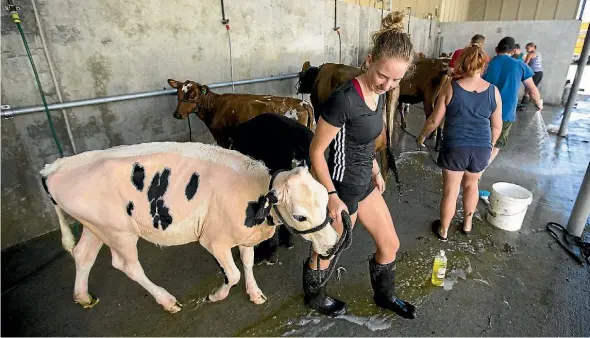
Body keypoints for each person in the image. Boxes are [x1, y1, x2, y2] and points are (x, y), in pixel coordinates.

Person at [304, 11, 416, 319]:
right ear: (369, 61)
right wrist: (330, 195)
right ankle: (314, 297)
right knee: (327, 249)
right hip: (340, 187)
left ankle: (384, 296)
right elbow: (316, 151)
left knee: (390, 244)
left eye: (397, 79)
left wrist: (376, 169)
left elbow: (364, 140)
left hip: (363, 182)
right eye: (383, 75)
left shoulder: (380, 93)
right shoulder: (344, 100)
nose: (388, 84)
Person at [417, 46, 502, 240]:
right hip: (481, 149)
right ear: (484, 65)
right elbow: (497, 126)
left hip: (455, 147)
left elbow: (434, 121)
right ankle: (467, 225)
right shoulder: (493, 92)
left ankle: (444, 230)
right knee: (472, 186)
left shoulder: (451, 87)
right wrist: (489, 145)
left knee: (451, 191)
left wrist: (421, 136)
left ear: (462, 63)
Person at [479, 37, 543, 198]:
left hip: (481, 110)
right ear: (514, 50)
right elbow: (532, 89)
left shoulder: (486, 62)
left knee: (478, 139)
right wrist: (538, 103)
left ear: (496, 49)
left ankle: (471, 168)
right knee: (496, 144)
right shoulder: (519, 64)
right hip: (504, 113)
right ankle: (478, 171)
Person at [519, 42, 543, 110]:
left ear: (533, 47)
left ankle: (524, 105)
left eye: (528, 48)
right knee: (532, 88)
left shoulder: (530, 54)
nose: (527, 50)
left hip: (534, 73)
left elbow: (525, 65)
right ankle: (528, 104)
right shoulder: (538, 54)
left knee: (528, 89)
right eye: (526, 48)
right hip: (540, 73)